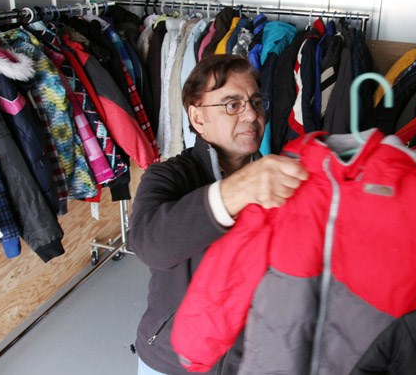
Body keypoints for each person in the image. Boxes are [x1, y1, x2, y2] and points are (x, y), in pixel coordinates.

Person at [130, 54, 309, 375]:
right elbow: (149, 243)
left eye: (256, 102)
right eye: (232, 104)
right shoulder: (169, 176)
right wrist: (236, 191)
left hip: (248, 363)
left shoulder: (280, 180)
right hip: (171, 362)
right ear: (198, 118)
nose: (252, 115)